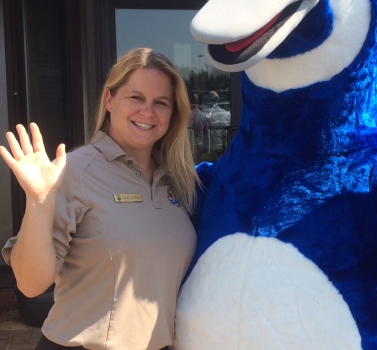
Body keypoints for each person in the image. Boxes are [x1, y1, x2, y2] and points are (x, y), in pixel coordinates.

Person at [0, 48, 199, 350]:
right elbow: (30, 284)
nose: (148, 112)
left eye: (161, 103)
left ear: (173, 114)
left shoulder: (176, 180)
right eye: (136, 97)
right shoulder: (74, 171)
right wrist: (39, 202)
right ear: (109, 99)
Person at [203, 91, 230, 160]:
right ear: (217, 100)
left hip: (208, 150)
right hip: (222, 149)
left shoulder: (204, 113)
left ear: (208, 99)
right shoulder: (227, 114)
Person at [187, 93, 209, 160]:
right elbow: (206, 132)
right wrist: (207, 147)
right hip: (200, 144)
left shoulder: (187, 115)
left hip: (190, 145)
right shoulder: (203, 115)